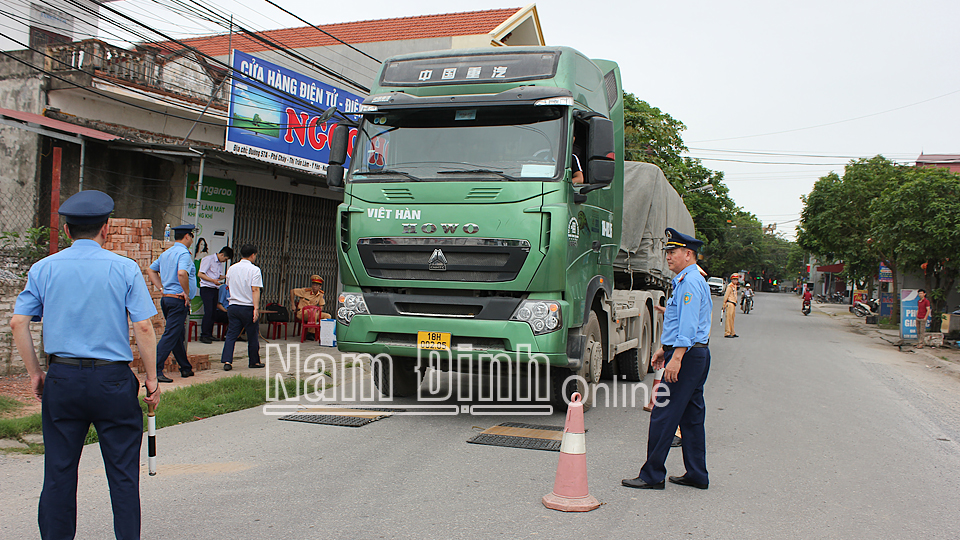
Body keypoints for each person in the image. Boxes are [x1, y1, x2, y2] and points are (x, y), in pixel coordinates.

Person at [10, 190, 162, 539]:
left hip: (62, 379)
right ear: (105, 229)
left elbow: (19, 322)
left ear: (66, 231)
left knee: (59, 471)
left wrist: (37, 373)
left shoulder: (43, 268)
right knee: (123, 474)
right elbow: (143, 327)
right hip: (112, 381)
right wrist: (152, 379)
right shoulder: (123, 268)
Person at [622, 227, 712, 490]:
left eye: (672, 252)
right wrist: (665, 348)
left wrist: (677, 357)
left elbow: (689, 324)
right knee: (692, 417)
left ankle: (652, 475)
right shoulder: (687, 280)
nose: (668, 257)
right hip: (694, 353)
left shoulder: (691, 282)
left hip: (688, 354)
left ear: (688, 254)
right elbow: (680, 322)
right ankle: (697, 474)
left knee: (663, 414)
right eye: (667, 252)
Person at [147, 223, 198, 382]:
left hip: (167, 299)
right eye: (191, 237)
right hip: (178, 301)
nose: (191, 240)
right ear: (187, 236)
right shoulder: (184, 254)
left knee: (177, 335)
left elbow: (151, 270)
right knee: (170, 335)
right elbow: (182, 273)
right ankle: (155, 370)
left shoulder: (167, 253)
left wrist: (161, 288)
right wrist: (187, 293)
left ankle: (185, 368)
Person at [221, 244, 264, 370]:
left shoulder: (231, 268)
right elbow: (255, 289)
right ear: (253, 255)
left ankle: (227, 361)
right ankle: (254, 362)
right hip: (247, 307)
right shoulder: (255, 270)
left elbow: (228, 286)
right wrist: (256, 308)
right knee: (252, 335)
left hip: (233, 306)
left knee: (231, 335)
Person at [198, 246, 233, 343]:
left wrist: (227, 276)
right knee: (208, 312)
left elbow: (218, 276)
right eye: (225, 259)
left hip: (215, 288)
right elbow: (200, 274)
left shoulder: (219, 264)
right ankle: (204, 335)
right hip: (207, 288)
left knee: (213, 312)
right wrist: (212, 280)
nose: (224, 261)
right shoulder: (208, 259)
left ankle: (209, 334)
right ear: (221, 254)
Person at [723, 273, 739, 338]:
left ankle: (732, 332)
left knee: (732, 319)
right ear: (731, 280)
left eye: (736, 279)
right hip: (729, 303)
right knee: (728, 319)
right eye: (734, 279)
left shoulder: (734, 286)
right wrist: (724, 304)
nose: (735, 281)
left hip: (734, 303)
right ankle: (727, 332)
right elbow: (726, 295)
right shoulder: (729, 286)